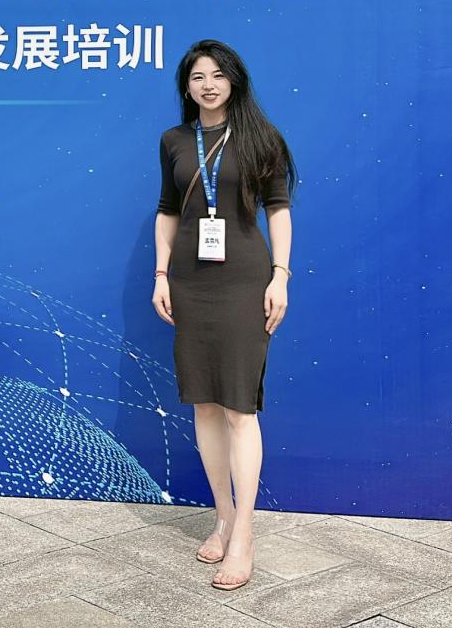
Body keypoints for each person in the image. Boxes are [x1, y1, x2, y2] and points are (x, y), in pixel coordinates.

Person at [152, 39, 295, 591]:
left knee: (239, 407)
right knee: (205, 404)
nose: (207, 85)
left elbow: (279, 210)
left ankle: (245, 536)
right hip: (190, 283)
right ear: (186, 87)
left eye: (216, 75)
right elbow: (167, 210)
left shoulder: (261, 137)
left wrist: (280, 276)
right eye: (197, 77)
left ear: (233, 80)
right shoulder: (173, 141)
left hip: (243, 282)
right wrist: (161, 274)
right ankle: (223, 516)